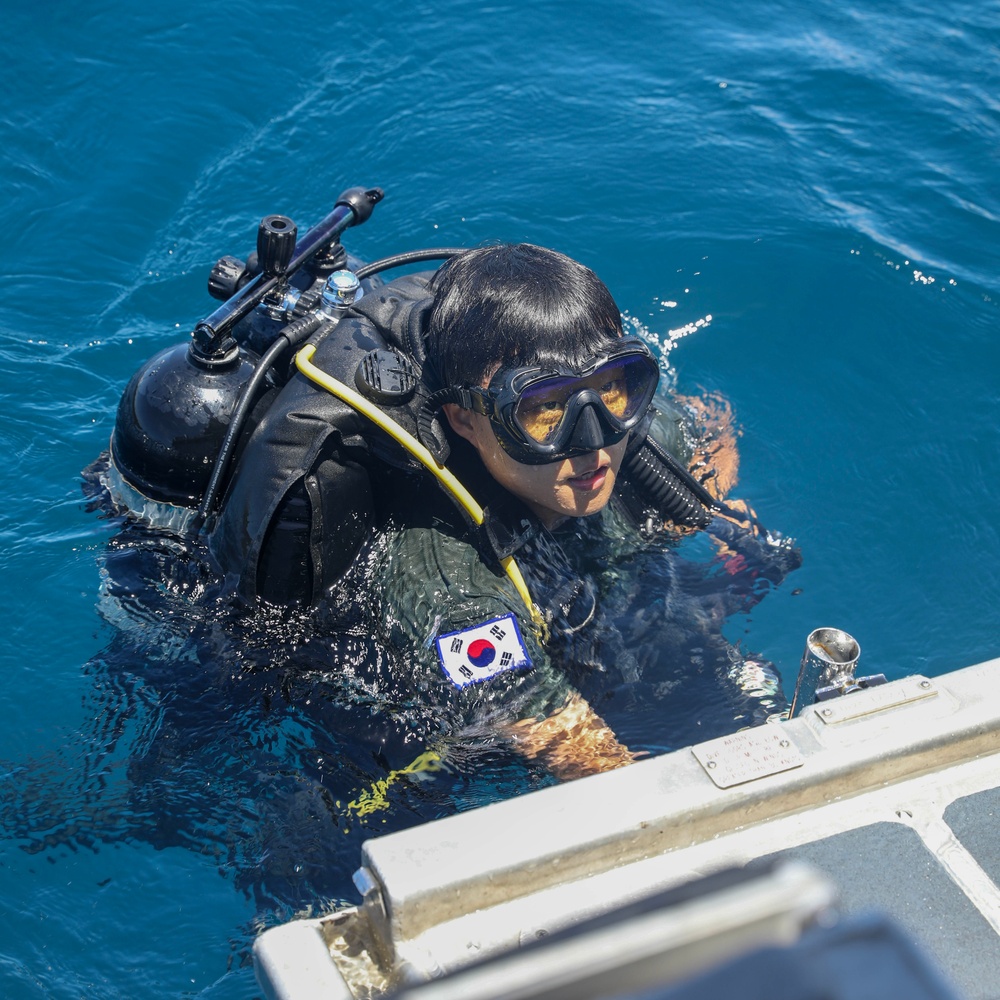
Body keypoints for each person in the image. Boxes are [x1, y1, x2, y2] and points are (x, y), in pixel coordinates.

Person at [208, 242, 799, 782]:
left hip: (592, 606)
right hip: (408, 723)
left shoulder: (613, 435)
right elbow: (593, 766)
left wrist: (702, 503)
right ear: (465, 420)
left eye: (614, 388)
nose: (593, 442)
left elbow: (710, 422)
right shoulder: (455, 590)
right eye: (545, 410)